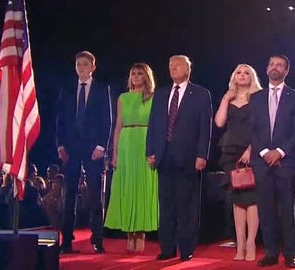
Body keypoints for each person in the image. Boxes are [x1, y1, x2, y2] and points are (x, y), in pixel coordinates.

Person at [146, 55, 212, 262]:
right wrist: (151, 151)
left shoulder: (200, 94)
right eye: (170, 65)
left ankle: (186, 249)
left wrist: (202, 154)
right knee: (166, 206)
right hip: (164, 157)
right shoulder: (162, 93)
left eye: (177, 65)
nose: (173, 68)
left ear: (188, 69)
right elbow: (154, 124)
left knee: (187, 206)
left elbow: (205, 128)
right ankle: (167, 248)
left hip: (189, 158)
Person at [249, 55, 295, 268]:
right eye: (271, 64)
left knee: (286, 209)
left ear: (286, 71)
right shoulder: (256, 98)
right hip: (262, 162)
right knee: (266, 209)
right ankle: (271, 251)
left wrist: (280, 152)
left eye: (279, 65)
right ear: (266, 69)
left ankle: (291, 253)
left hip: (286, 162)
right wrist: (265, 152)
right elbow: (252, 130)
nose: (275, 68)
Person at [55, 50, 113, 254]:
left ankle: (97, 239)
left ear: (93, 67)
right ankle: (67, 240)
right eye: (78, 64)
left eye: (85, 65)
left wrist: (101, 146)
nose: (81, 68)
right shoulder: (68, 89)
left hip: (93, 150)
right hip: (70, 149)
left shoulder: (101, 89)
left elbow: (107, 119)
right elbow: (60, 120)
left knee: (95, 195)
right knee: (68, 194)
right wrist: (60, 145)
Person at [105, 63, 159, 254]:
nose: (136, 77)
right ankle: (128, 234)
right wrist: (115, 154)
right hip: (126, 145)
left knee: (142, 188)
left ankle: (141, 234)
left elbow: (157, 127)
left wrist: (155, 151)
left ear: (147, 77)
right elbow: (118, 126)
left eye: (140, 74)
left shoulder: (154, 98)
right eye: (133, 74)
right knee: (126, 188)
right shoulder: (123, 98)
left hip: (145, 144)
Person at [214, 64, 262, 261]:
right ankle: (240, 243)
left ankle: (251, 242)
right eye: (239, 73)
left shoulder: (258, 98)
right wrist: (226, 98)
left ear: (252, 77)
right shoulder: (230, 98)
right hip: (231, 151)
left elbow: (262, 127)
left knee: (252, 197)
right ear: (234, 77)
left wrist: (251, 150)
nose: (242, 75)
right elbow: (219, 122)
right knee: (237, 197)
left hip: (252, 149)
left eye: (247, 73)